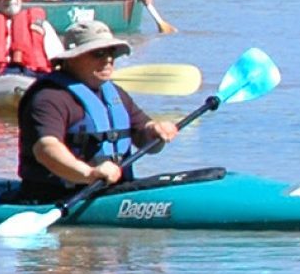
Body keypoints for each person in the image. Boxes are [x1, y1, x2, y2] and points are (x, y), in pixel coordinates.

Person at [15, 20, 179, 203]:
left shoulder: (115, 94)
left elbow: (146, 139)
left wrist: (156, 131)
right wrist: (90, 173)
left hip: (112, 192)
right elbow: (46, 149)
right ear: (72, 58)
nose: (108, 59)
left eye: (111, 52)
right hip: (56, 196)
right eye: (98, 53)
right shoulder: (49, 98)